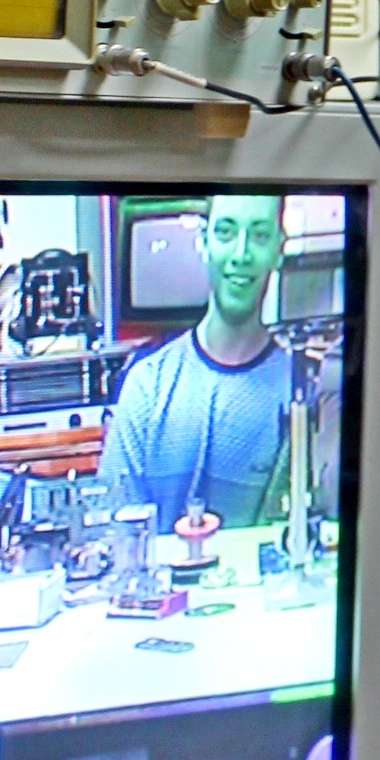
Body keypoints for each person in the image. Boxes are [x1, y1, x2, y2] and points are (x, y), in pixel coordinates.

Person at [100, 195, 295, 534]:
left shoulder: (298, 392)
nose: (241, 255)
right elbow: (116, 526)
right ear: (204, 242)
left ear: (279, 249)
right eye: (226, 232)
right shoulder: (147, 386)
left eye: (260, 235)